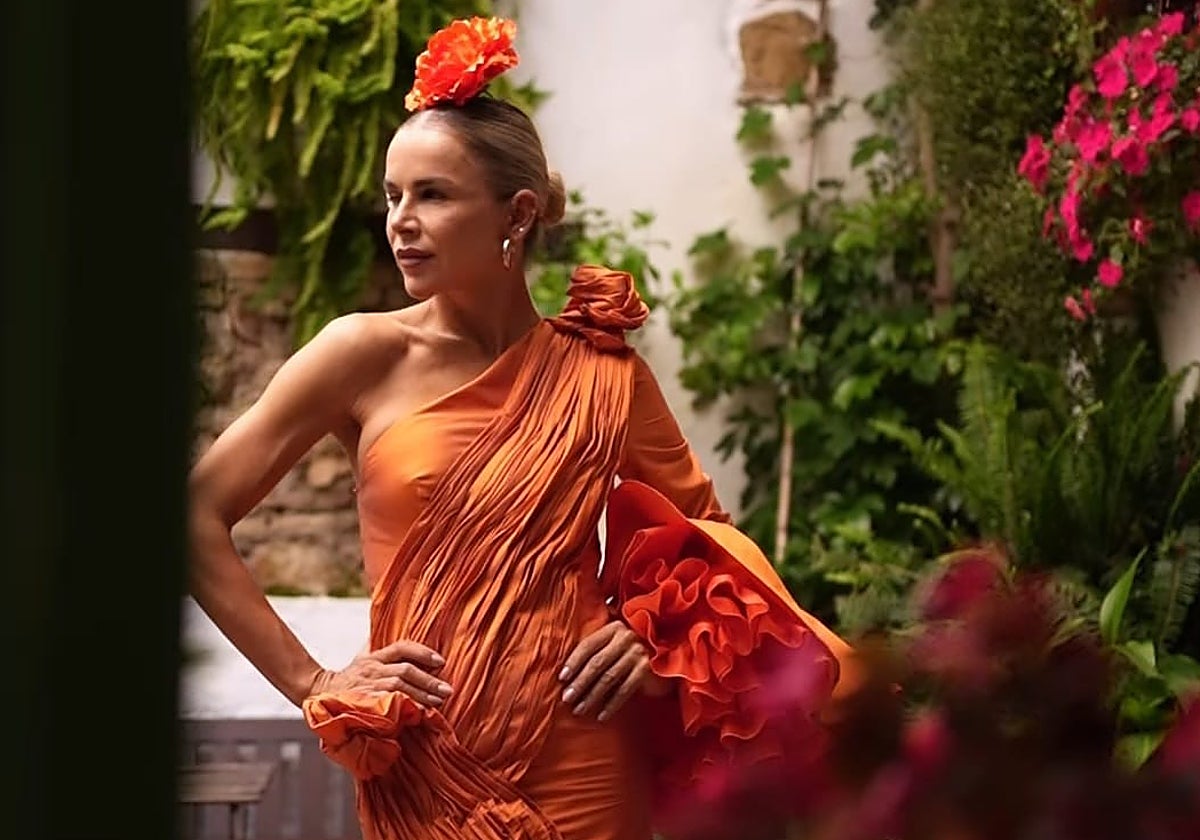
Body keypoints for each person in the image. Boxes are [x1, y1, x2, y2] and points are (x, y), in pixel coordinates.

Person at [188, 15, 860, 840]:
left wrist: (653, 635)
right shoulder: (360, 353)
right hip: (422, 761)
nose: (401, 218)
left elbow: (712, 538)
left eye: (432, 194)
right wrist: (314, 679)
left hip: (585, 758)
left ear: (518, 213)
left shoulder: (601, 374)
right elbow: (195, 515)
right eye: (393, 195)